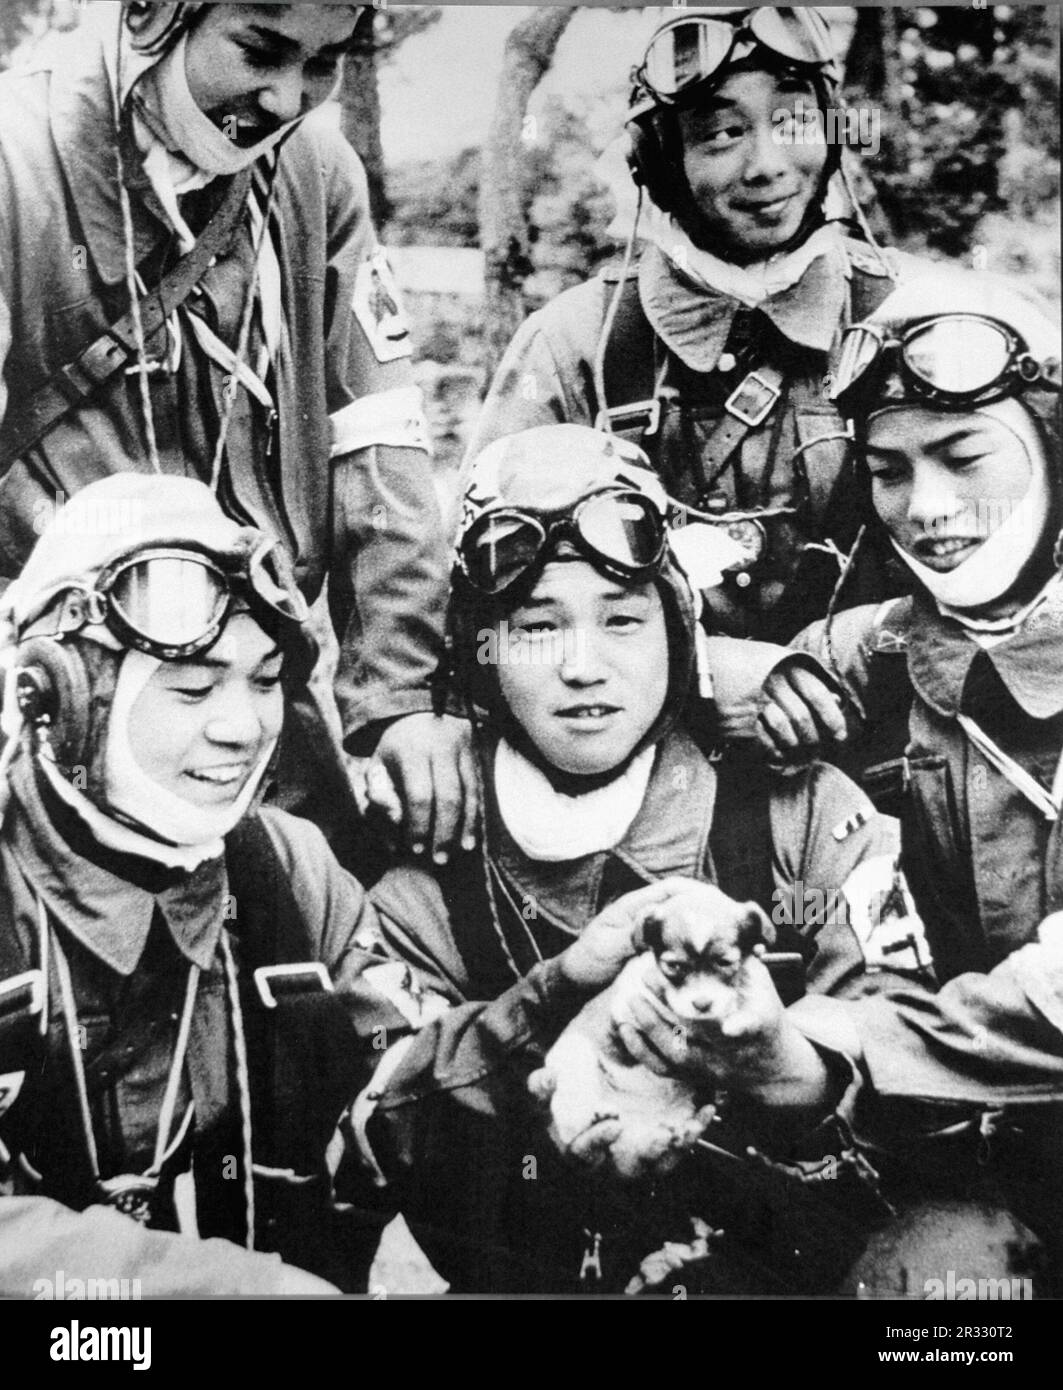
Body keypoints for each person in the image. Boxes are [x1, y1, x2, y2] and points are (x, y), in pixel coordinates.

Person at [351, 423, 927, 1295]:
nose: (583, 666)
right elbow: (379, 1125)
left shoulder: (801, 815)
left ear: (679, 633)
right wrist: (544, 1016)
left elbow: (912, 1057)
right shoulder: (429, 860)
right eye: (536, 626)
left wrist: (789, 1067)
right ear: (478, 648)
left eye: (623, 620)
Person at [0, 2, 474, 871]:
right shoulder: (13, 158)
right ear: (152, 13)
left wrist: (400, 697)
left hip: (259, 713)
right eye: (260, 50)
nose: (288, 97)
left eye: (324, 62)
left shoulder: (316, 173)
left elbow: (378, 445)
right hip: (58, 715)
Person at [0, 472, 462, 1296]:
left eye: (264, 680)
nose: (242, 727)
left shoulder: (287, 869)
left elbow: (404, 1091)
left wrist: (555, 1041)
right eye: (192, 687)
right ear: (60, 697)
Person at [466, 7, 927, 719]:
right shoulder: (577, 343)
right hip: (645, 751)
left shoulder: (916, 314)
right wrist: (700, 671)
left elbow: (1019, 578)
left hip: (889, 742)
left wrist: (857, 644)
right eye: (721, 134)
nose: (767, 164)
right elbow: (491, 602)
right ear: (658, 162)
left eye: (795, 122)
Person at [749, 271, 1063, 1290]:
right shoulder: (863, 656)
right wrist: (733, 676)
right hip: (968, 1179)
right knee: (936, 1297)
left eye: (964, 457)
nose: (926, 507)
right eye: (888, 470)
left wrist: (841, 1038)